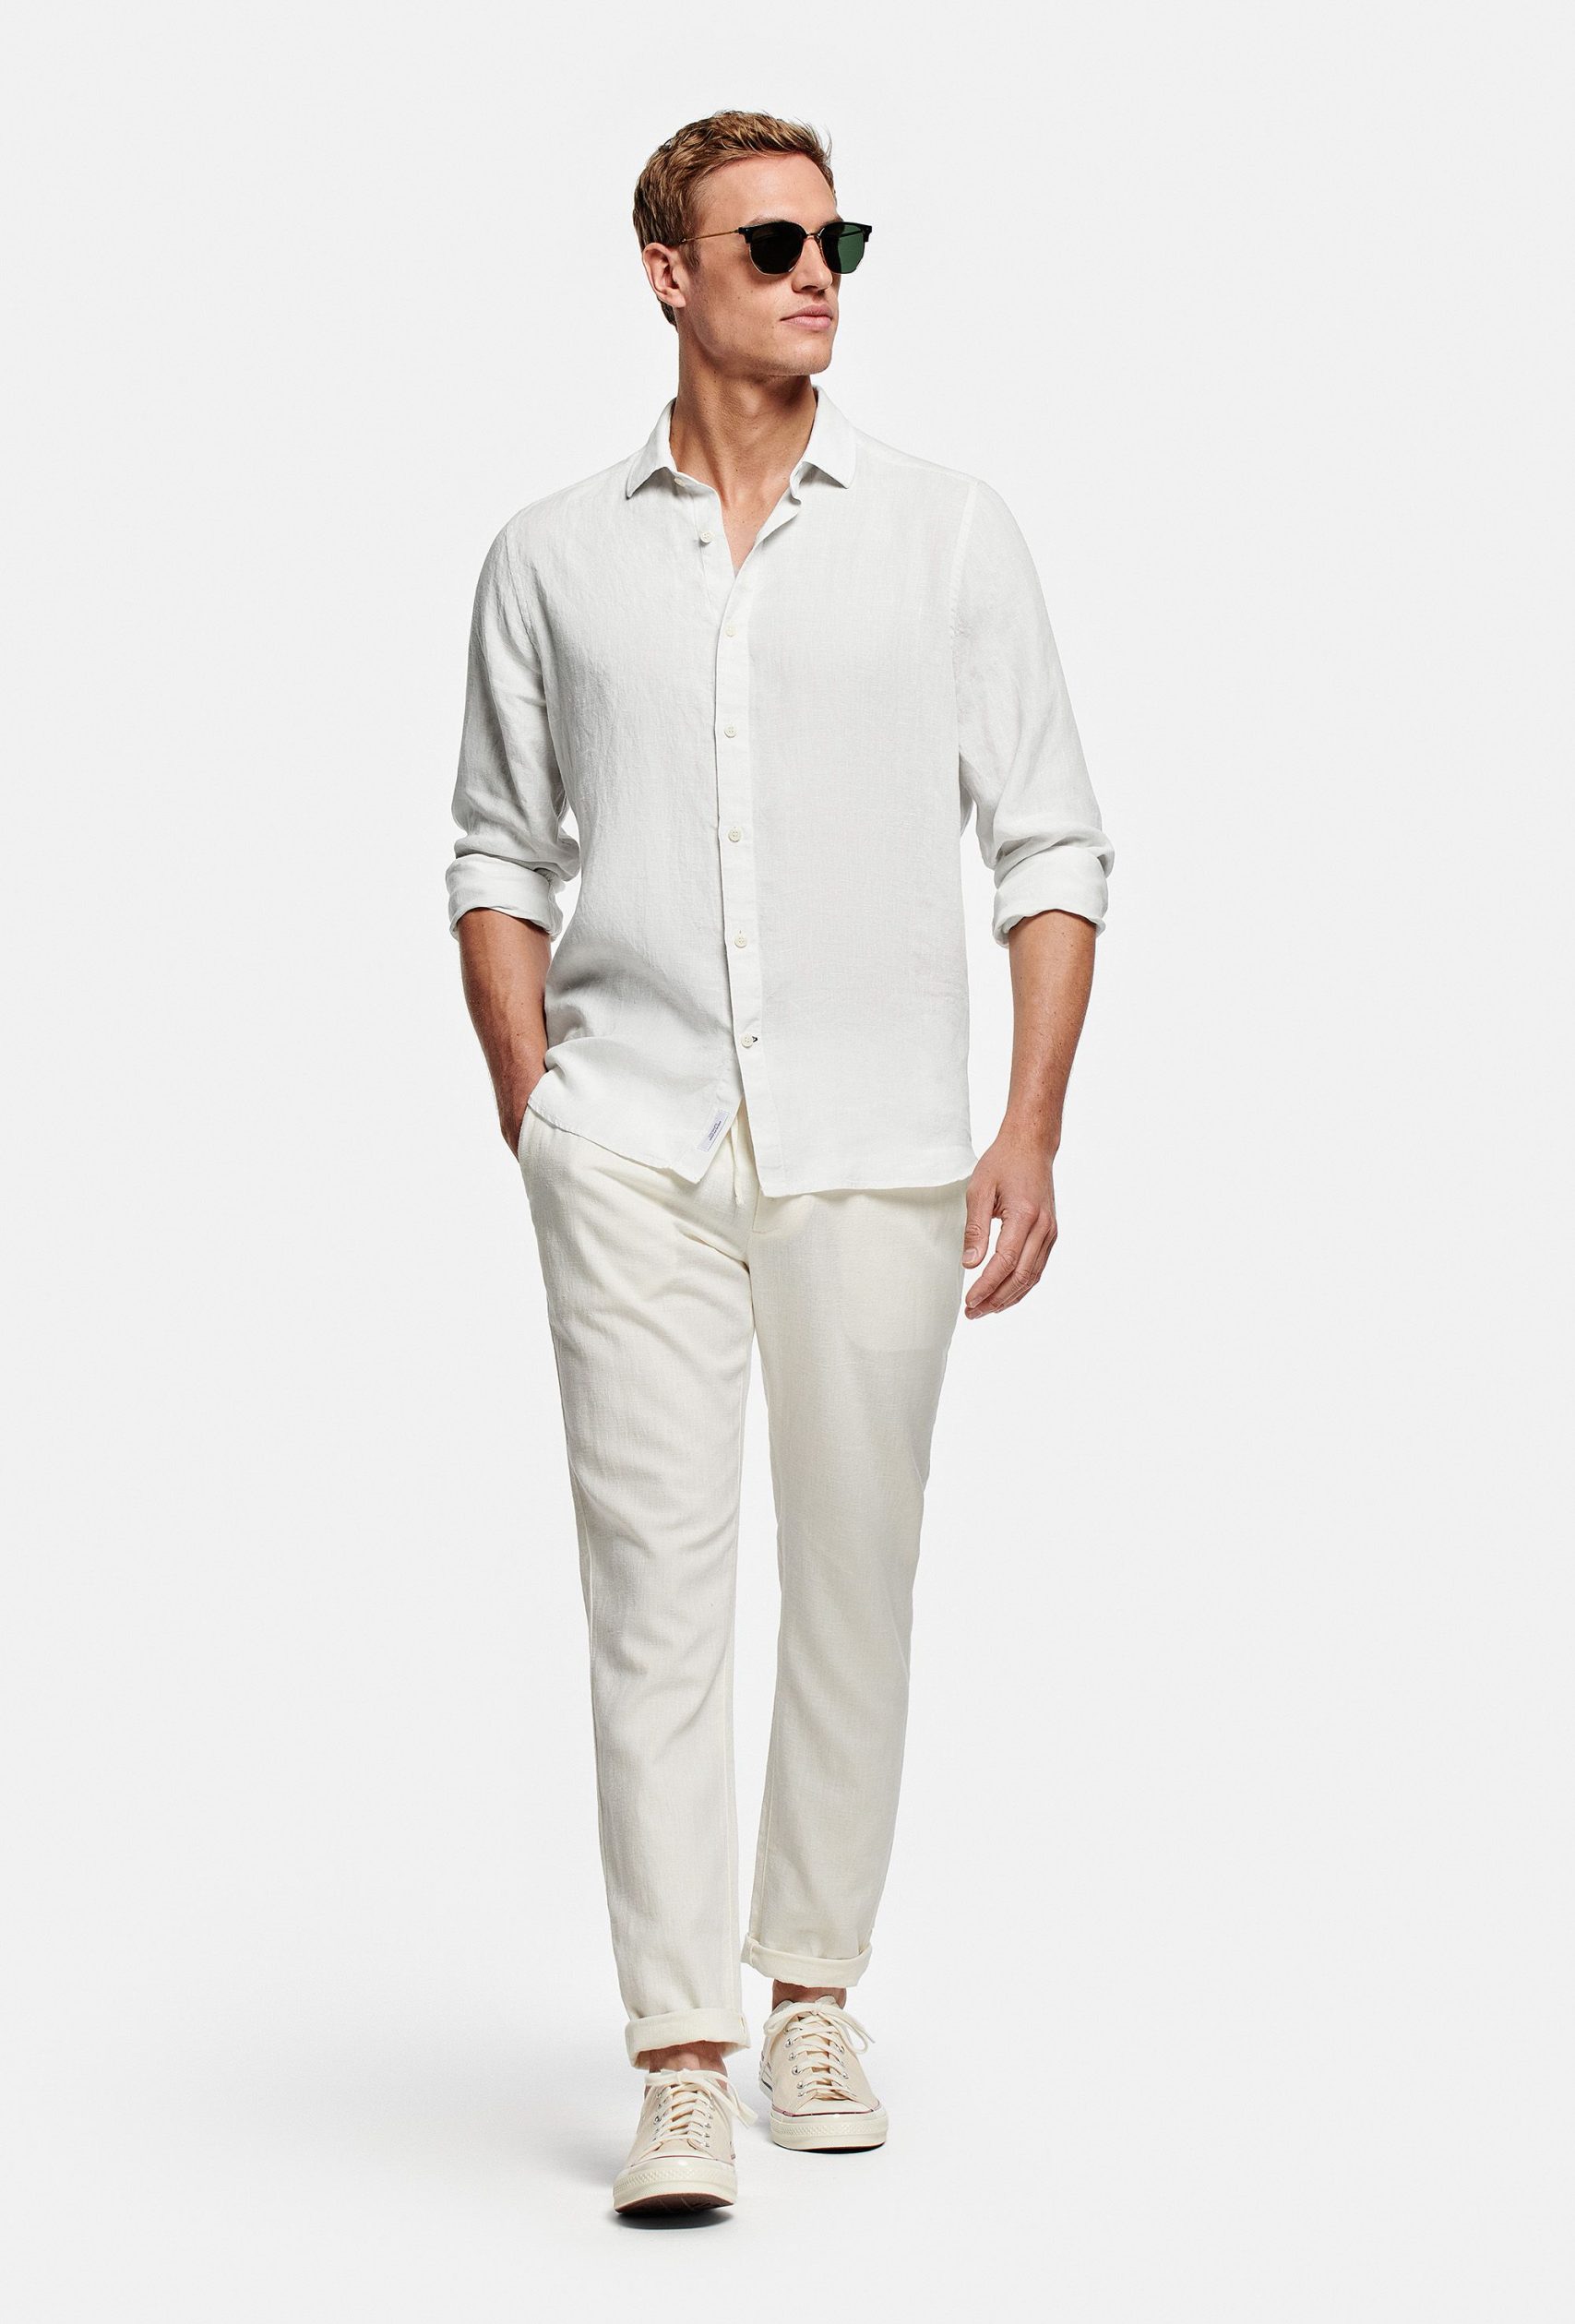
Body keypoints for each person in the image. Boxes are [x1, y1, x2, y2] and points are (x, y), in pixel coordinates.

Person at [444, 108, 1115, 2217]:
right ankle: (677, 2046)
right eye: (770, 242)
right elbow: (493, 852)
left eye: (837, 239)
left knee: (850, 1573)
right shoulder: (550, 556)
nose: (817, 271)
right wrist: (536, 1105)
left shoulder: (945, 532)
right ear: (669, 272)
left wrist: (1026, 1122)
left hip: (877, 1143)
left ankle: (811, 1985)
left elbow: (1050, 842)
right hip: (629, 1140)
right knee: (650, 1592)